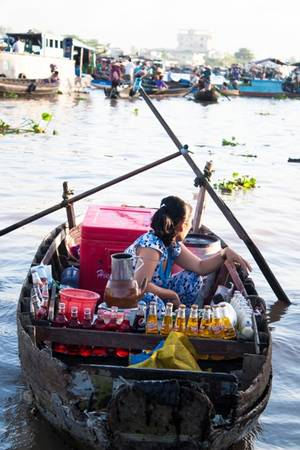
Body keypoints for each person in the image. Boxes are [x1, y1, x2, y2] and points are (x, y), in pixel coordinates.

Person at [126, 196, 251, 315]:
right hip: (129, 297)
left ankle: (178, 314)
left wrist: (224, 253)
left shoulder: (171, 243)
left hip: (153, 292)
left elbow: (200, 267)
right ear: (182, 225)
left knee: (193, 278)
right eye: (190, 222)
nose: (191, 226)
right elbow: (140, 286)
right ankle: (161, 323)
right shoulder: (151, 246)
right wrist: (172, 295)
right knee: (153, 302)